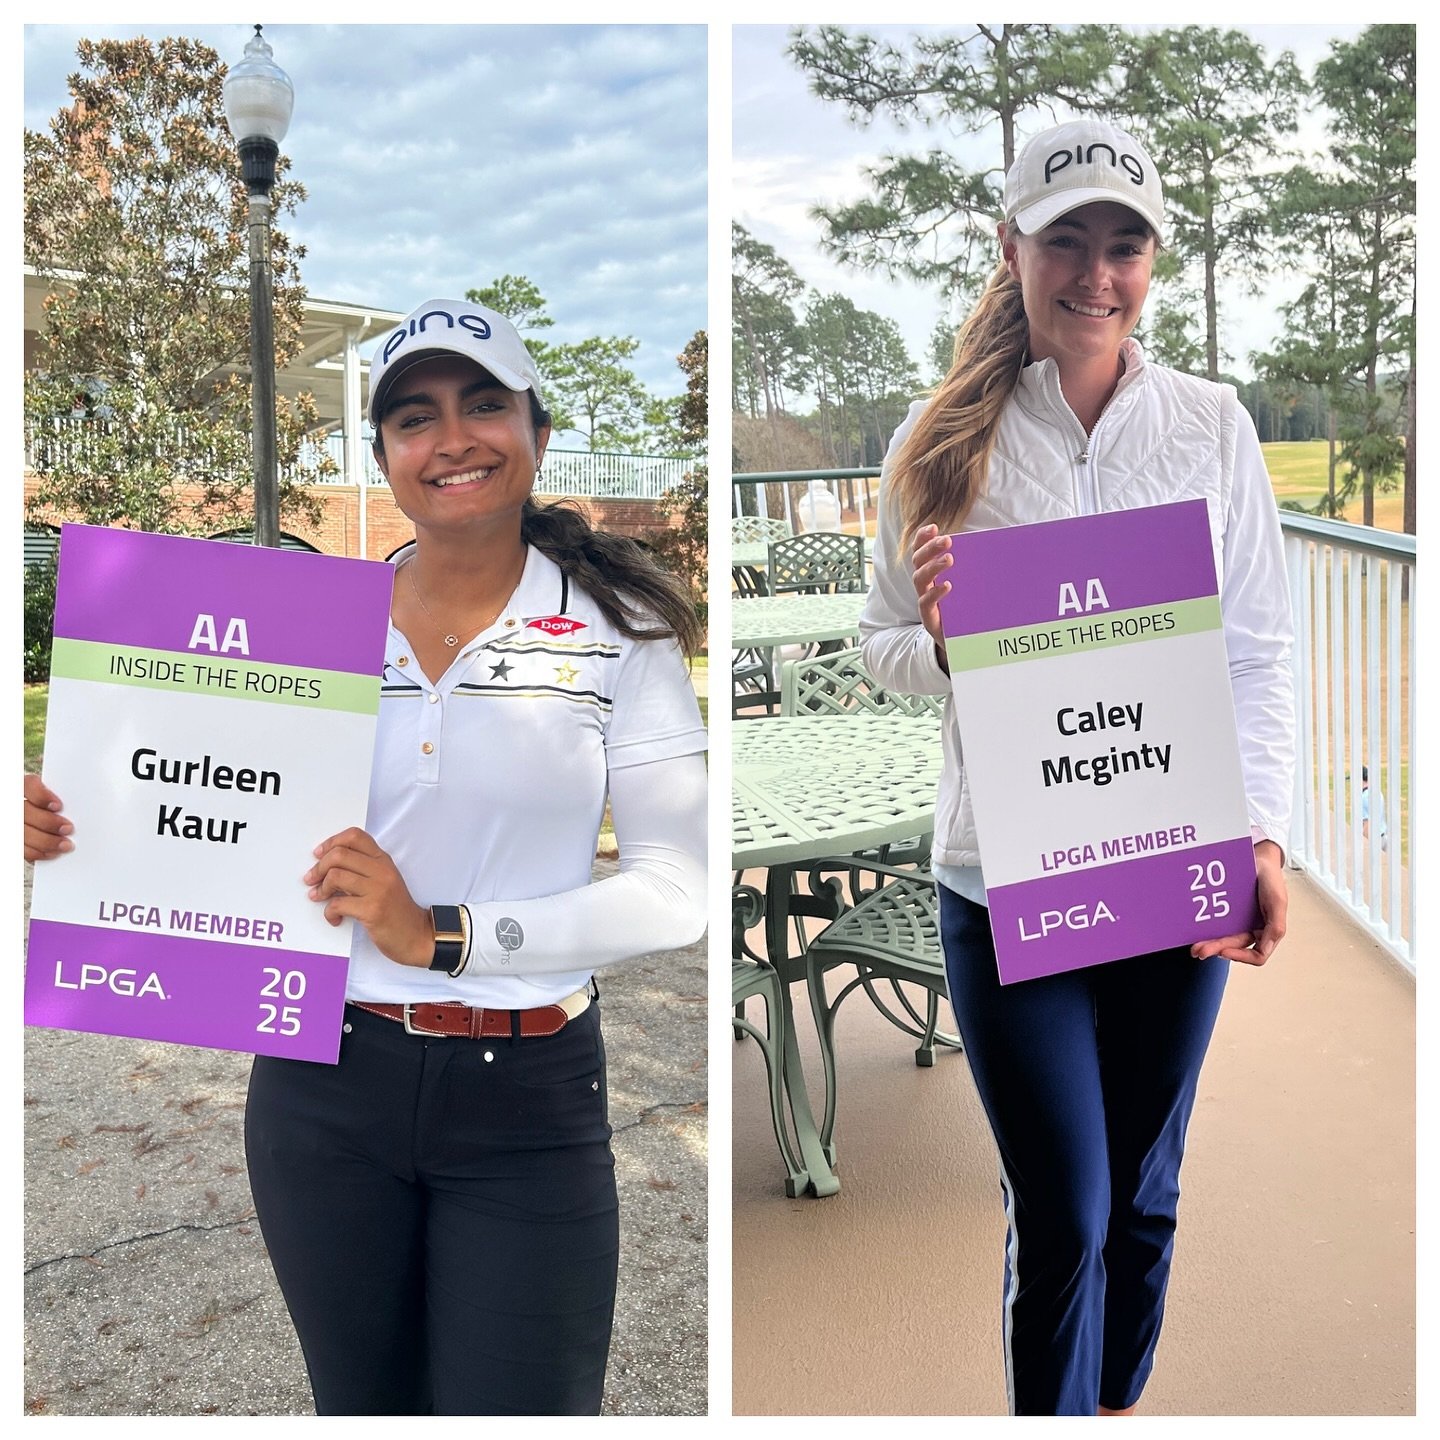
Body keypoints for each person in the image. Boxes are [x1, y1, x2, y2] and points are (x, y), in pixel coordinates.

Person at [23, 297, 708, 1416]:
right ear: (383, 454)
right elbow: (198, 802)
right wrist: (73, 821)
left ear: (537, 431)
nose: (452, 440)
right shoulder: (308, 624)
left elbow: (677, 890)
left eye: (483, 406)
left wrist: (442, 934)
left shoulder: (615, 632)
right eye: (413, 418)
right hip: (320, 1087)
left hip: (528, 1096)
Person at [859, 121, 1294, 1416]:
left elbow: (1259, 656)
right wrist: (947, 645)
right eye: (1066, 242)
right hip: (1002, 886)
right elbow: (882, 646)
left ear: (1152, 262)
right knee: (1065, 1214)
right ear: (1012, 250)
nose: (1096, 274)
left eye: (1124, 245)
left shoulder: (1213, 426)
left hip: (1176, 873)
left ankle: (1114, 1402)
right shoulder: (937, 440)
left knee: (1146, 1198)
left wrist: (1264, 835)